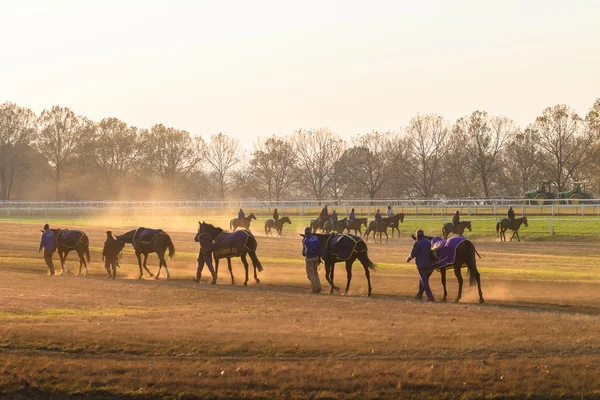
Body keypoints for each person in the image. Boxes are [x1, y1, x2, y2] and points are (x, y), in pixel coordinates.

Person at [406, 229, 435, 302]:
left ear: (417, 236)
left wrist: (408, 258)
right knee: (422, 279)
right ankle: (419, 295)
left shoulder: (417, 243)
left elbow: (413, 254)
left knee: (424, 280)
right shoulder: (428, 242)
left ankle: (430, 297)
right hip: (429, 264)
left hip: (421, 264)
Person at [302, 227, 322, 293]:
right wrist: (319, 258)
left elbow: (306, 251)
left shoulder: (306, 240)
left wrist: (305, 253)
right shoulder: (316, 238)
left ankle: (315, 288)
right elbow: (319, 248)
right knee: (315, 273)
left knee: (310, 274)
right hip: (316, 257)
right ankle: (319, 287)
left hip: (309, 258)